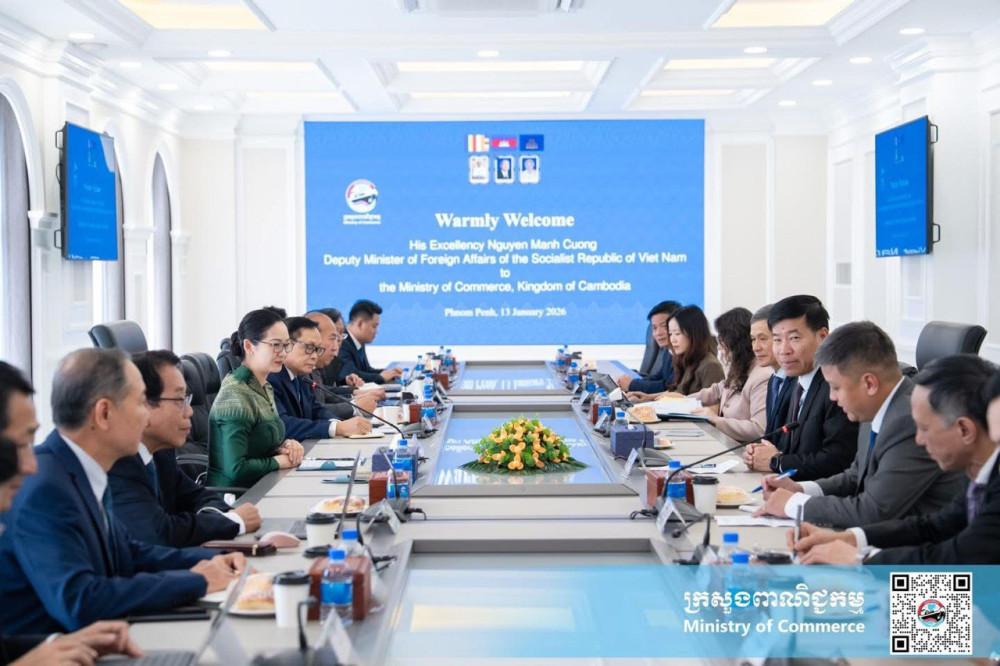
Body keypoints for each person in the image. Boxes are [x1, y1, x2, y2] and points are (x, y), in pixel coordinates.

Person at [0, 349, 244, 634]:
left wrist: (215, 559)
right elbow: (81, 600)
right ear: (104, 413)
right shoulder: (47, 488)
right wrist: (198, 580)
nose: (146, 416)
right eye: (140, 403)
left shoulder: (79, 469)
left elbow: (129, 552)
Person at [790, 355, 1000, 564]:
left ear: (964, 430)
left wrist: (860, 560)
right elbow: (934, 527)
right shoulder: (978, 474)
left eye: (924, 428)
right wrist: (849, 539)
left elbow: (957, 562)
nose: (919, 439)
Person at [754, 322, 963, 527]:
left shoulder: (908, 421)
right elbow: (856, 475)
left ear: (869, 383)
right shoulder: (873, 408)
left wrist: (794, 505)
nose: (832, 397)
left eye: (836, 387)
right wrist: (801, 489)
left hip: (917, 544)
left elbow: (873, 511)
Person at [108, 351, 262, 548]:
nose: (189, 411)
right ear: (143, 404)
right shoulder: (118, 464)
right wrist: (233, 521)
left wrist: (216, 517)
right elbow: (159, 534)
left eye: (186, 399)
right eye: (179, 401)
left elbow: (197, 495)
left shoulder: (161, 452)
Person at [743, 295, 858, 481]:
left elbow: (838, 460)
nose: (784, 350)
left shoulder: (836, 387)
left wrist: (778, 461)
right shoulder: (792, 381)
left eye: (794, 338)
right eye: (777, 340)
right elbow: (783, 442)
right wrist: (759, 451)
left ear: (822, 337)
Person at [209, 309, 304, 488]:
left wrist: (285, 447)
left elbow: (259, 445)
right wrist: (279, 461)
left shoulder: (264, 386)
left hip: (265, 484)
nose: (283, 353)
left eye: (287, 345)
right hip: (236, 496)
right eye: (276, 345)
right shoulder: (235, 394)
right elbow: (236, 469)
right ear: (249, 346)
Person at [268, 317, 372, 440]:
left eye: (317, 349)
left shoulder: (300, 377)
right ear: (287, 345)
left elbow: (316, 409)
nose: (314, 356)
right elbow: (283, 424)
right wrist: (337, 428)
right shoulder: (271, 378)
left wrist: (340, 424)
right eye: (309, 347)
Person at [688, 307, 772, 441]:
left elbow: (758, 430)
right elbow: (718, 389)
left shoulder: (763, 375)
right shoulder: (742, 366)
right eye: (753, 339)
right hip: (727, 441)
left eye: (722, 338)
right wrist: (681, 401)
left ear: (736, 341)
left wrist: (715, 419)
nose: (719, 346)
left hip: (742, 448)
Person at [628, 305, 724, 399]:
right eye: (670, 334)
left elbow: (712, 406)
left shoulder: (710, 366)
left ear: (694, 334)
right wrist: (648, 397)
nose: (672, 340)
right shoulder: (686, 360)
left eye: (677, 334)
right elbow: (677, 392)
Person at [305, 310, 384, 409]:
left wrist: (349, 387)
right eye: (333, 337)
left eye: (341, 333)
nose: (339, 340)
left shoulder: (318, 367)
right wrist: (354, 404)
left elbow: (323, 393)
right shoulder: (305, 370)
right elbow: (315, 408)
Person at [616, 300, 679, 393]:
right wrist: (631, 382)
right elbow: (659, 377)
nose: (658, 333)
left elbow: (668, 386)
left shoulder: (683, 354)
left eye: (664, 326)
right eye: (654, 328)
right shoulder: (668, 351)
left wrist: (633, 385)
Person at [337, 300, 403, 385]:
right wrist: (380, 377)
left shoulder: (359, 340)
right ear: (360, 323)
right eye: (374, 326)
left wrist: (389, 373)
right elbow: (350, 374)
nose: (376, 332)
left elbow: (366, 370)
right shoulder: (342, 342)